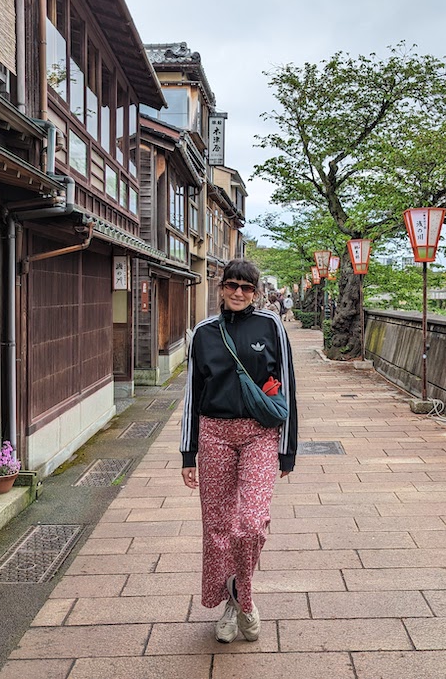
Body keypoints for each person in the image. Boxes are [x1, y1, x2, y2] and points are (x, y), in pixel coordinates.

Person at [181, 259, 298, 643]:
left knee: (249, 523)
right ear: (221, 288)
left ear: (256, 292)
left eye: (246, 288)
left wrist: (287, 450)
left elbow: (289, 388)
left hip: (259, 433)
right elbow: (192, 396)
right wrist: (188, 453)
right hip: (213, 433)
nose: (238, 293)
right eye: (231, 285)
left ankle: (241, 595)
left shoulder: (271, 326)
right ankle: (236, 604)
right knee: (216, 529)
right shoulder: (203, 333)